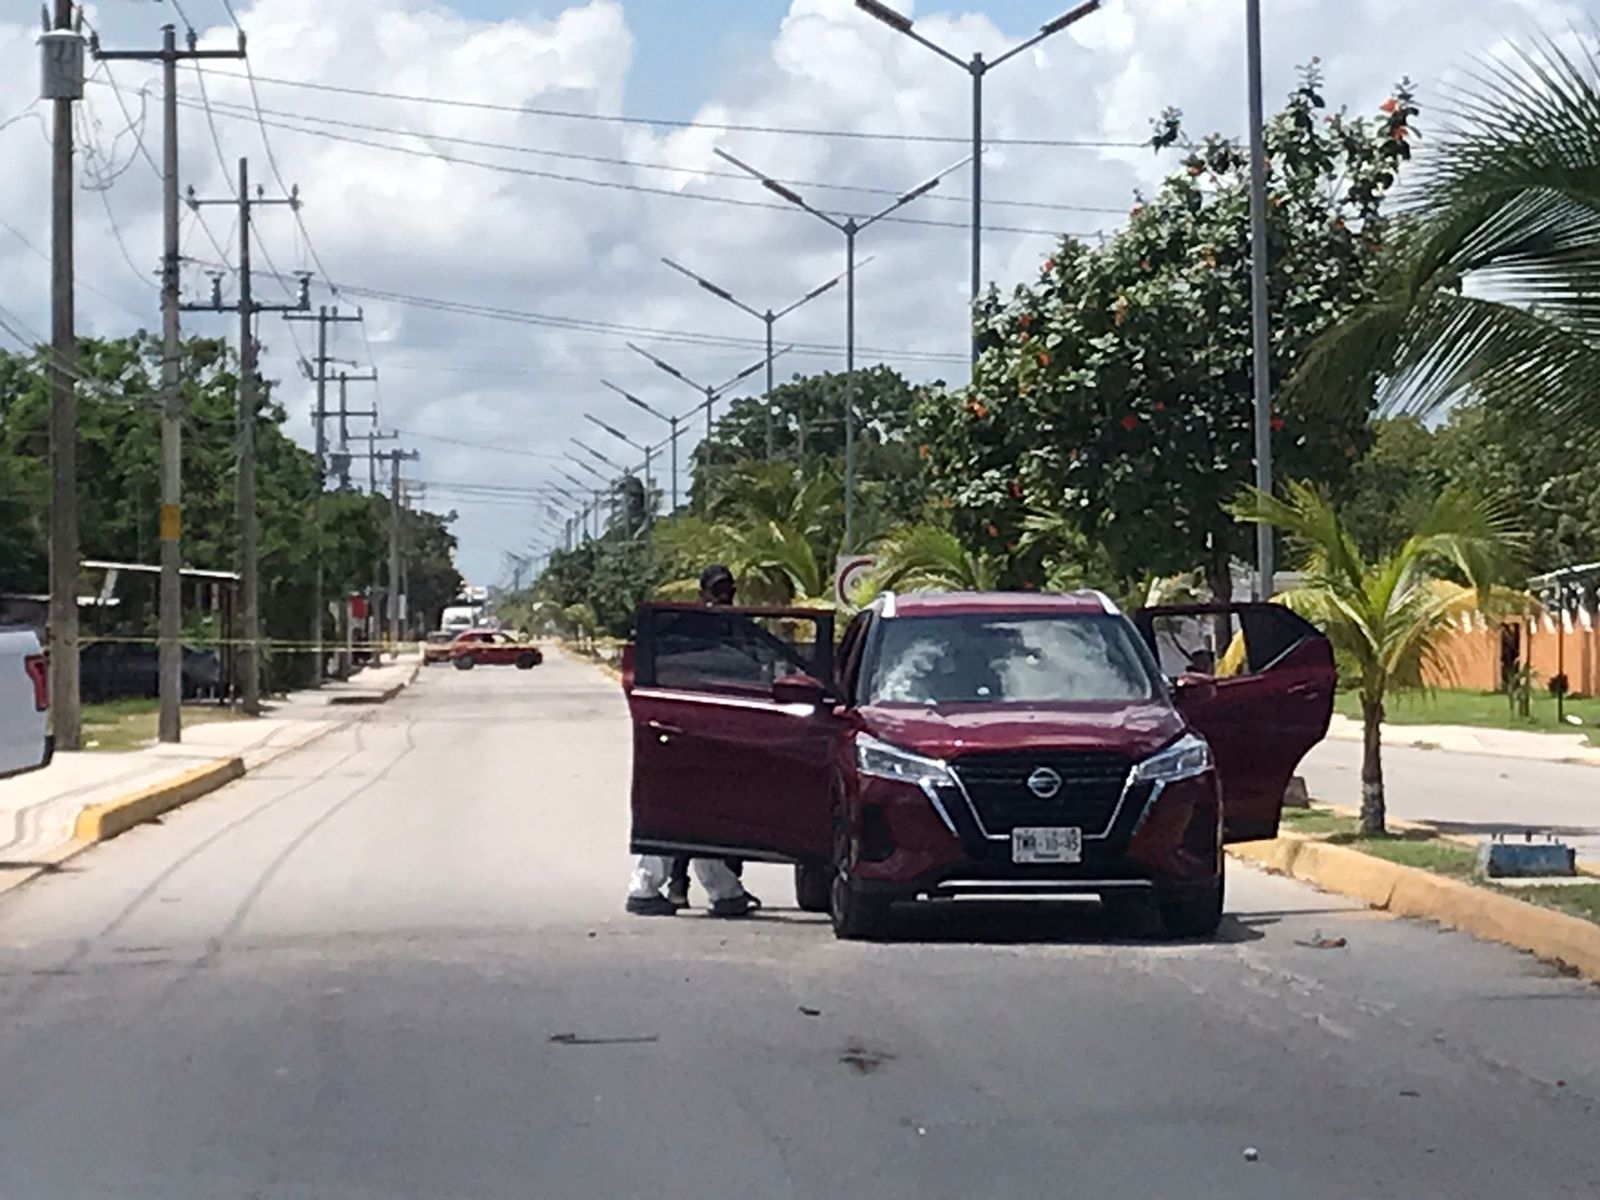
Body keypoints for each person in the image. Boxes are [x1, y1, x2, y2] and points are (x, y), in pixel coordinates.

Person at [626, 564, 761, 919]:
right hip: (683, 726)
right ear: (703, 592)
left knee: (707, 812)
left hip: (724, 729)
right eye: (718, 589)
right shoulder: (683, 626)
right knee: (678, 810)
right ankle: (653, 887)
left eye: (728, 588)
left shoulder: (744, 628)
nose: (724, 595)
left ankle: (722, 891)